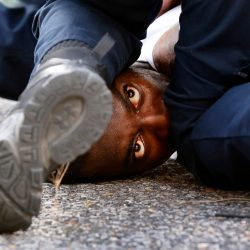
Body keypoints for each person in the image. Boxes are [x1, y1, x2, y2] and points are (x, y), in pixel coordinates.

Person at [0, 0, 181, 233]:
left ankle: (69, 65)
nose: (161, 120)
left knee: (94, 27)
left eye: (132, 95)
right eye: (138, 147)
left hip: (94, 37)